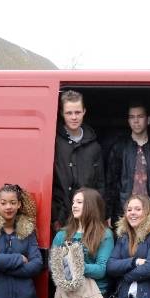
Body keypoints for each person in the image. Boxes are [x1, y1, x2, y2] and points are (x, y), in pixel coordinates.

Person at [52, 90, 105, 232]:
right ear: (62, 113)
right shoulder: (53, 142)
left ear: (84, 112)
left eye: (77, 112)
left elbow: (100, 184)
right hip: (60, 218)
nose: (74, 117)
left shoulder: (94, 146)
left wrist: (99, 215)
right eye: (69, 113)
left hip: (88, 218)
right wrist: (54, 217)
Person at [105, 102, 150, 223]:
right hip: (124, 212)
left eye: (140, 116)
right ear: (128, 121)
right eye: (132, 117)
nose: (136, 121)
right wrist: (108, 213)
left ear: (148, 120)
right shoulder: (119, 148)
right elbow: (111, 183)